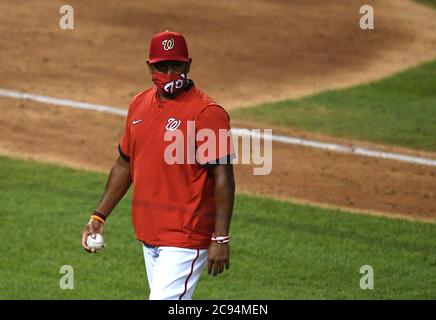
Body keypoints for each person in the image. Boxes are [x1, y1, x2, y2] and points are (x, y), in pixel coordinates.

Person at [81, 30, 235, 300]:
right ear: (149, 67)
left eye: (176, 65)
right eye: (162, 66)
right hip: (149, 234)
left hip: (186, 237)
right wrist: (99, 215)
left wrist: (220, 238)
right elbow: (124, 164)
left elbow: (223, 177)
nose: (169, 72)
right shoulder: (138, 104)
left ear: (188, 65)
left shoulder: (207, 113)